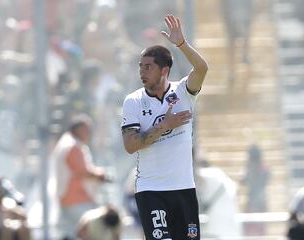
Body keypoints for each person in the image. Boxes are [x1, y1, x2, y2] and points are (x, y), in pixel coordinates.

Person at [120, 15, 208, 239]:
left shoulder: (183, 92)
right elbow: (130, 145)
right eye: (141, 66)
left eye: (148, 67)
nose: (142, 71)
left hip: (184, 188)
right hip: (151, 191)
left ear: (164, 70)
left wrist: (181, 44)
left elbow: (202, 68)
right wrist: (164, 125)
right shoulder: (133, 101)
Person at [53, 114, 109, 240]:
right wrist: (100, 174)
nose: (89, 133)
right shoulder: (72, 146)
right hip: (77, 200)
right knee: (90, 233)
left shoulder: (66, 142)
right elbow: (82, 171)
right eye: (86, 129)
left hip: (69, 199)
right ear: (77, 129)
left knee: (72, 234)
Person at [242, 143, 270, 235]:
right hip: (258, 202)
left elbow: (245, 180)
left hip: (256, 202)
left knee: (254, 229)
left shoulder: (253, 168)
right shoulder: (263, 168)